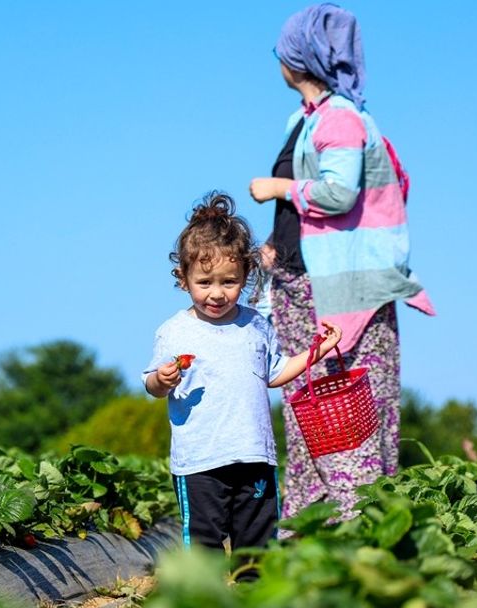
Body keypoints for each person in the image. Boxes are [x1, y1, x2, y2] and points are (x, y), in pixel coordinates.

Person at [249, 3, 434, 526]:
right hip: (297, 282)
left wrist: (278, 187)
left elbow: (338, 194)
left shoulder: (341, 119)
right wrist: (272, 248)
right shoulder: (304, 120)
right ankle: (310, 525)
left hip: (337, 292)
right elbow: (307, 217)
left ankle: (359, 526)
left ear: (297, 57)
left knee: (348, 410)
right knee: (307, 407)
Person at [144, 192, 340, 554]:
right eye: (205, 282)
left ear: (246, 276)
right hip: (200, 460)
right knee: (204, 544)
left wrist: (318, 350)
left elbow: (276, 372)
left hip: (254, 455)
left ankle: (254, 590)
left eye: (229, 282)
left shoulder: (256, 326)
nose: (217, 293)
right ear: (184, 279)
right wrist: (162, 379)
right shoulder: (174, 332)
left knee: (258, 543)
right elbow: (152, 384)